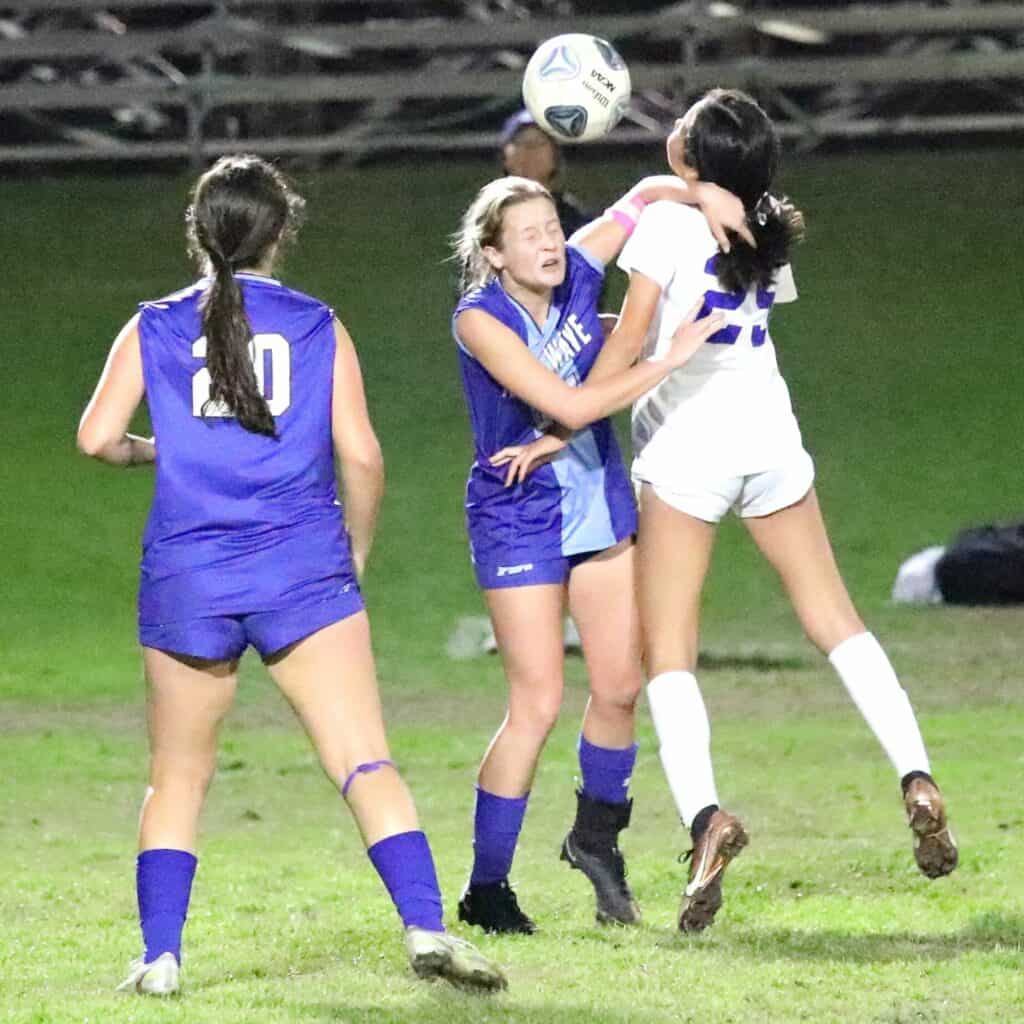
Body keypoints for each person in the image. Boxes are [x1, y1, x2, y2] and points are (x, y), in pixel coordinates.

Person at [77, 154, 505, 996]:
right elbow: (364, 457)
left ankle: (161, 957)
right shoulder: (315, 324)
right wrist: (354, 555)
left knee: (178, 777)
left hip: (189, 575)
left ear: (200, 235)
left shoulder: (154, 325)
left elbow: (96, 438)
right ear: (281, 235)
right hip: (302, 571)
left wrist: (156, 454)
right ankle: (424, 925)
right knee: (364, 763)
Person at [575, 88, 958, 930]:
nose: (670, 126)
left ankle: (707, 818)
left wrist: (569, 398)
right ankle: (916, 775)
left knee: (668, 655)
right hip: (770, 437)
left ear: (694, 156)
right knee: (838, 621)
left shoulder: (669, 226)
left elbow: (632, 340)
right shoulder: (768, 224)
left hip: (687, 452)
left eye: (683, 126)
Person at [449, 171, 747, 933]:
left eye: (552, 226)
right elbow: (573, 404)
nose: (549, 243)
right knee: (538, 702)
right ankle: (488, 890)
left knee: (618, 687)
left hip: (598, 504)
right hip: (517, 515)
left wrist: (703, 194)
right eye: (528, 235)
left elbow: (648, 191)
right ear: (493, 252)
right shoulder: (480, 321)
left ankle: (595, 843)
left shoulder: (581, 264)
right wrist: (668, 356)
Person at [500, 109, 592, 237]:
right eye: (520, 142)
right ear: (505, 157)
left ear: (555, 156)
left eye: (539, 142)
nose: (530, 150)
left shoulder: (576, 221)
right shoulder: (490, 217)